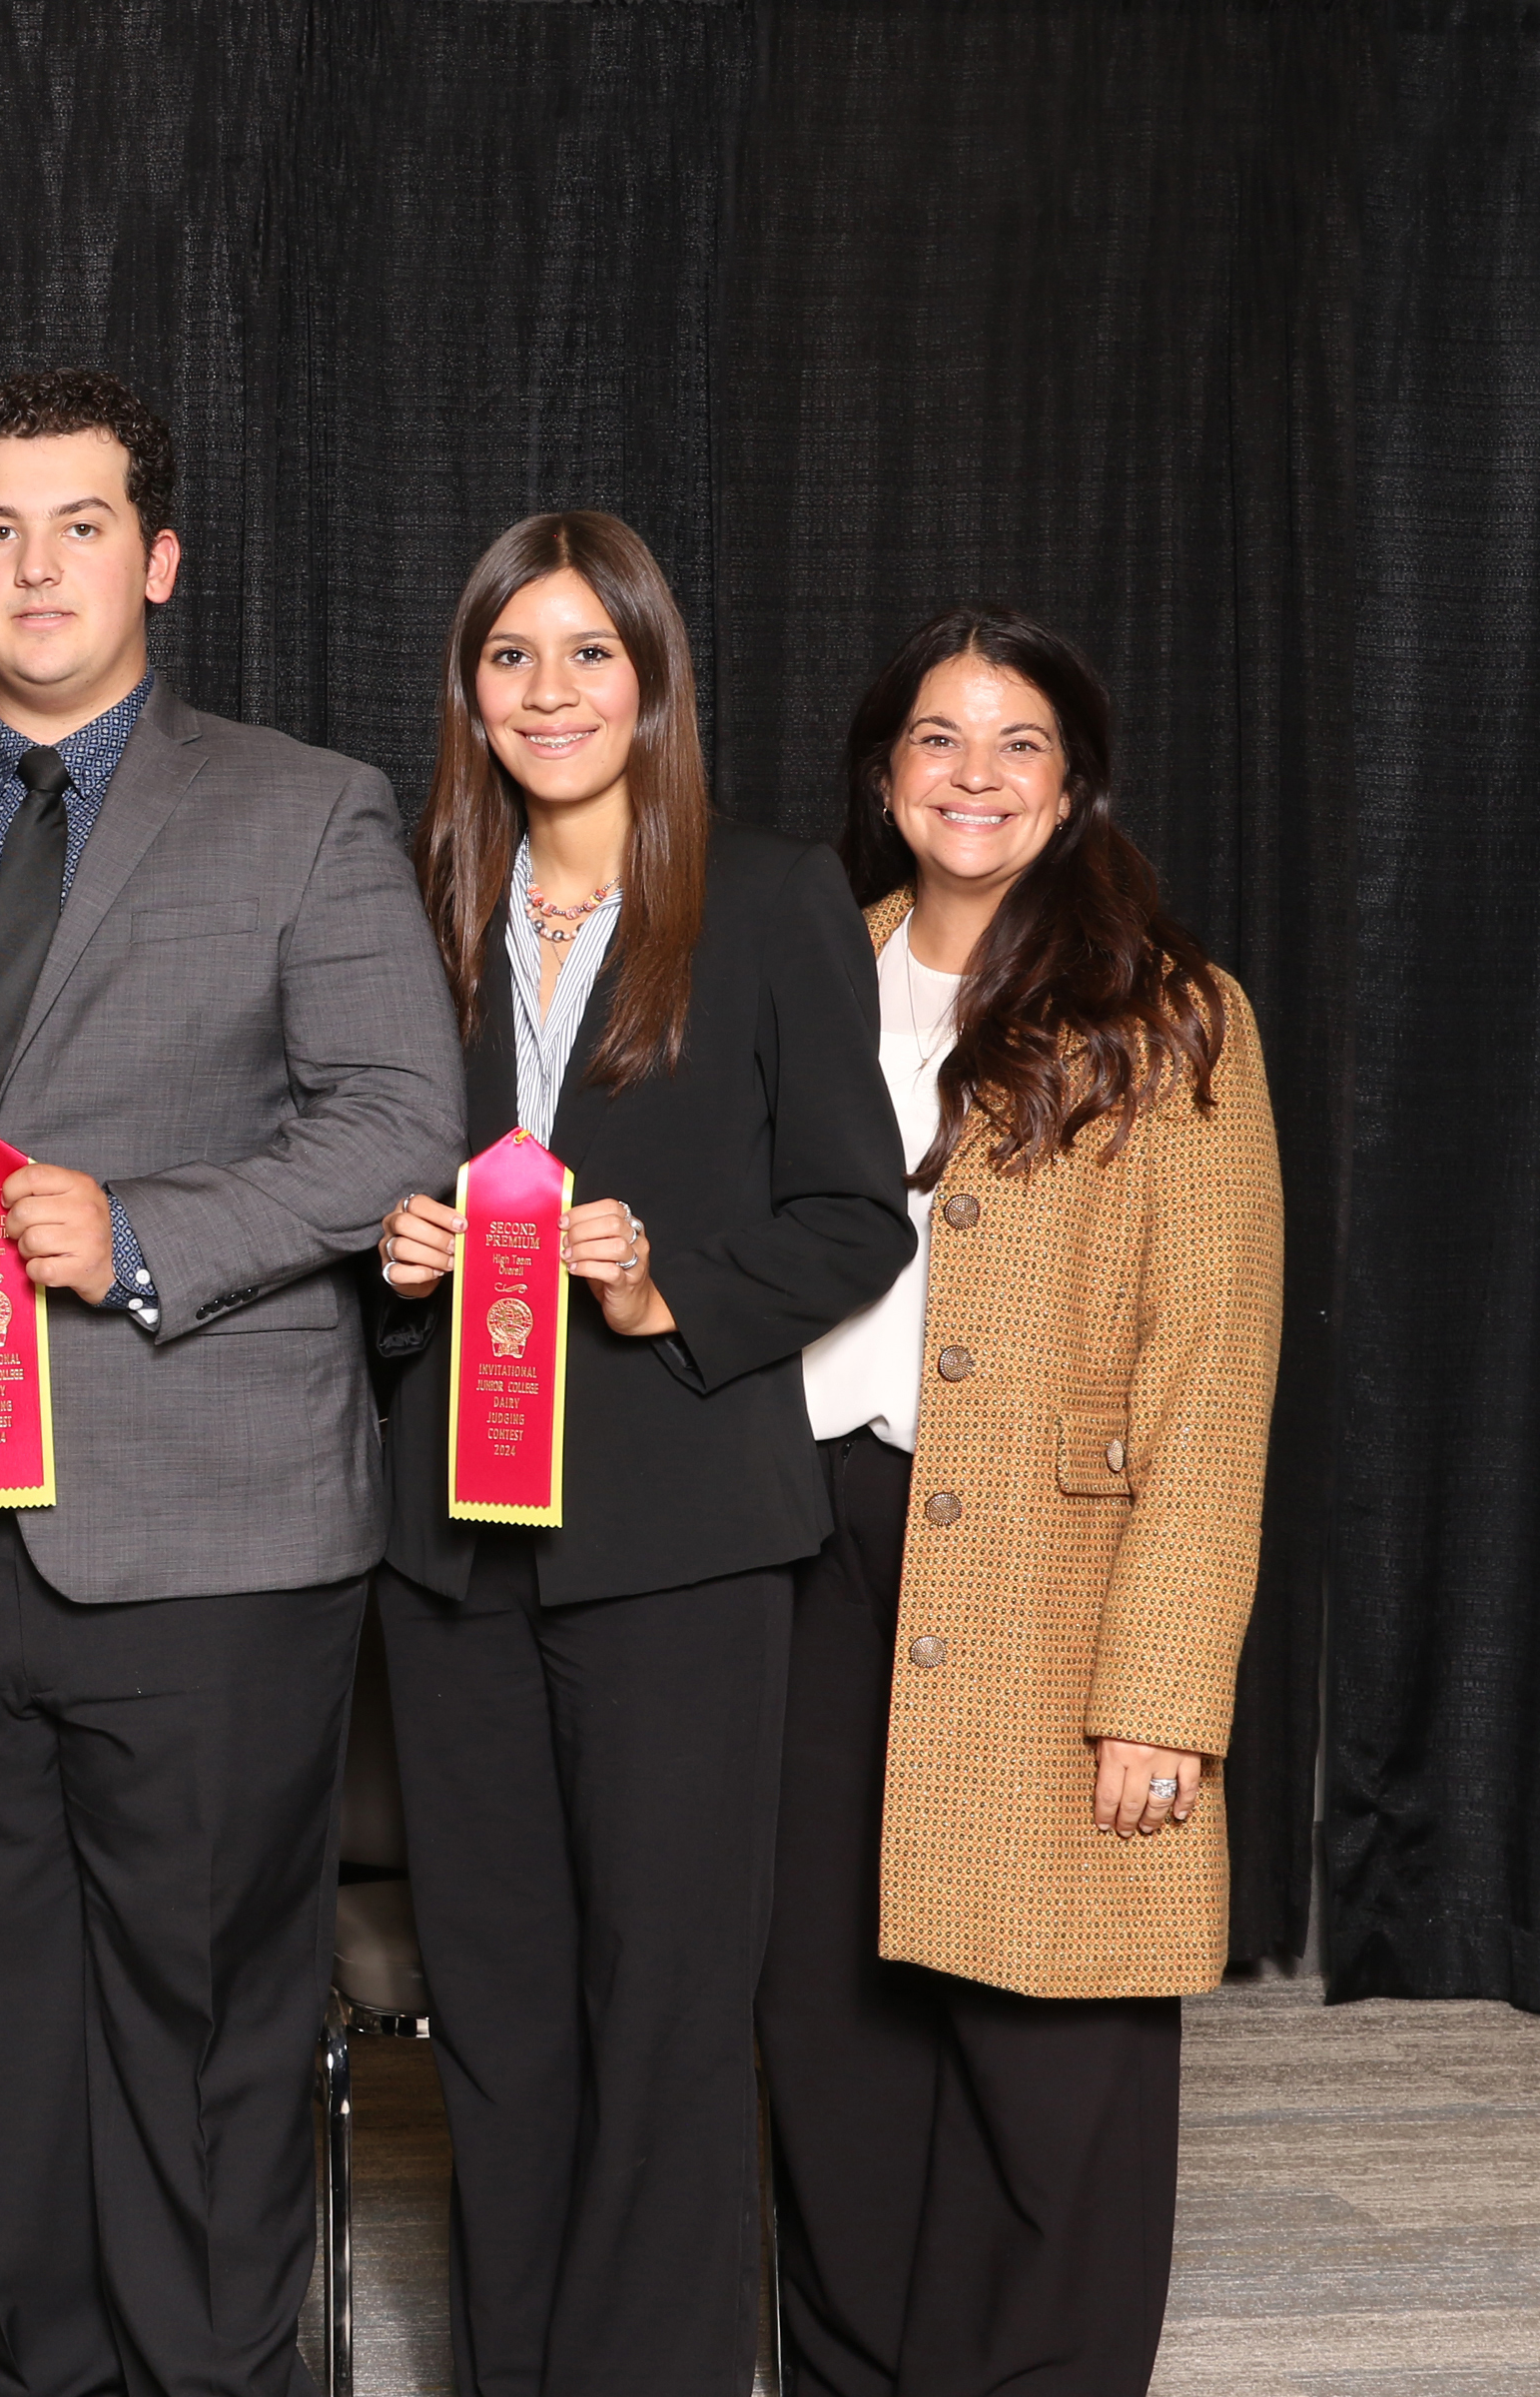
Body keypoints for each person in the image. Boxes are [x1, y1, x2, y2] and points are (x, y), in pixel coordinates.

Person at [0, 367, 464, 2397]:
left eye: (79, 524)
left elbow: (400, 1126)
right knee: (2, 2017)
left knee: (206, 2013)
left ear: (156, 559)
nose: (36, 565)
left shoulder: (301, 805)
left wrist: (144, 1232)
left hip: (208, 1528)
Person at [371, 512, 914, 2397]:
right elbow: (353, 1178)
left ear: (653, 681)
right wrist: (397, 1253)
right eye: (512, 656)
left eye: (589, 653)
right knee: (501, 2015)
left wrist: (666, 1284)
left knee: (668, 2010)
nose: (549, 692)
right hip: (450, 1552)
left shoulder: (764, 904)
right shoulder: (408, 904)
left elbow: (860, 1218)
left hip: (679, 1545)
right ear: (471, 691)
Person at [758, 607, 1281, 2397]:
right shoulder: (810, 966)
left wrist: (1164, 1696)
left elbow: (1215, 1380)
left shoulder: (1177, 1017)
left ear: (1072, 789)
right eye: (936, 739)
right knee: (826, 2039)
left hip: (1051, 1582)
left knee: (1051, 2058)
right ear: (884, 773)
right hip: (804, 1553)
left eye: (1017, 744)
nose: (972, 776)